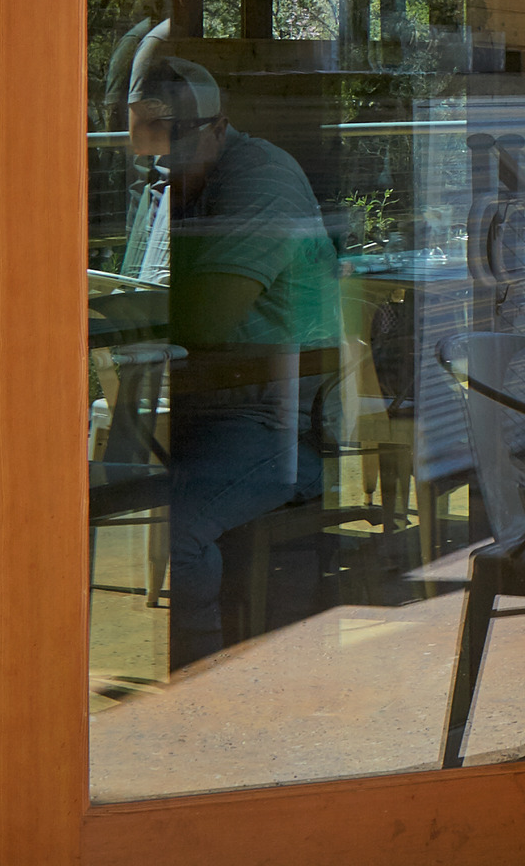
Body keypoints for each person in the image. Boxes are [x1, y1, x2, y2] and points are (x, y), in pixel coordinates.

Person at [144, 59, 339, 669]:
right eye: (148, 136)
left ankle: (198, 692)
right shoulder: (180, 180)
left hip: (277, 426)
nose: (159, 157)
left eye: (176, 137)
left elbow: (206, 319)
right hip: (196, 409)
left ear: (217, 128)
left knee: (179, 526)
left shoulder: (260, 178)